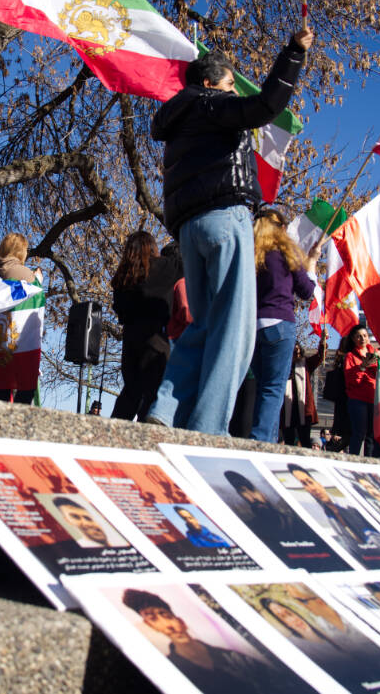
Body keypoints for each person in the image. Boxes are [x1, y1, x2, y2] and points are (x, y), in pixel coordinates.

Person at [145, 26, 314, 434]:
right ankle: (208, 428)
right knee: (235, 333)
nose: (234, 93)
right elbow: (265, 106)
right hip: (226, 218)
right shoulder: (210, 106)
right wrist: (293, 52)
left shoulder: (179, 120)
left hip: (190, 228)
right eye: (229, 85)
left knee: (203, 325)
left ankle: (165, 410)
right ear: (209, 85)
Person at [121, 589, 278, 694]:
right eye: (154, 619)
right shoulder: (168, 670)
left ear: (181, 621)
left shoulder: (232, 656)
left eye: (167, 615)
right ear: (151, 626)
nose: (168, 625)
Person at [249, 208, 319, 443]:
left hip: (253, 327)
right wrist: (312, 265)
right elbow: (307, 291)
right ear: (279, 228)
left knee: (263, 388)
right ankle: (260, 441)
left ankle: (267, 442)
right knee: (273, 389)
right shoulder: (285, 253)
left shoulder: (251, 255)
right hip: (280, 324)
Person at [110, 231, 175, 421]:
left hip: (130, 341)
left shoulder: (123, 278)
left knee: (131, 393)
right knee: (152, 397)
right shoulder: (164, 268)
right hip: (156, 339)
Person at [287, 464, 380, 562]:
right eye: (304, 485)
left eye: (309, 482)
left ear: (318, 483)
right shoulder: (326, 516)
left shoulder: (349, 505)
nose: (311, 488)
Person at [0, 232, 42, 404]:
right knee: (26, 387)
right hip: (19, 340)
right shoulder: (24, 273)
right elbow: (35, 297)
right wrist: (38, 281)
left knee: (1, 387)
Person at [342, 325, 380, 457]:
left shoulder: (376, 352)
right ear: (353, 339)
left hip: (375, 398)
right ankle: (353, 460)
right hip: (358, 400)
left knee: (372, 434)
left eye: (365, 335)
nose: (362, 338)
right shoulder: (350, 356)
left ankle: (369, 461)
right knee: (359, 432)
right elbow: (351, 379)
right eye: (358, 336)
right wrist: (362, 366)